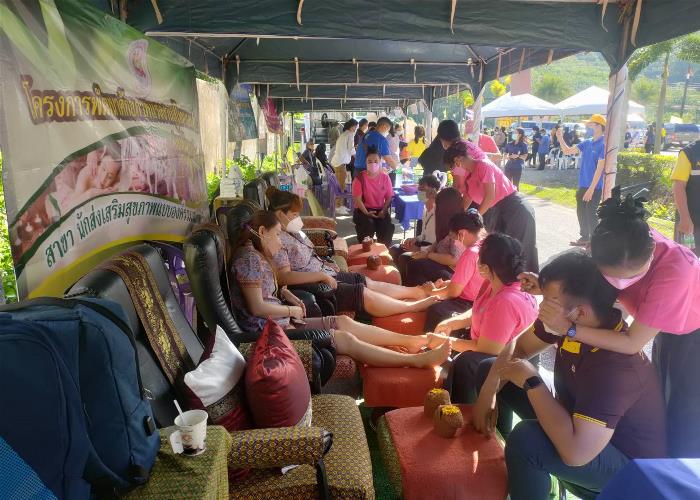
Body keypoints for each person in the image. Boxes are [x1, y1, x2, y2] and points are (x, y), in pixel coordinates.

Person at [475, 252, 666, 500]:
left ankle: (533, 473)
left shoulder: (616, 367)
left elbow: (576, 454)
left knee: (528, 440)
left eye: (550, 301)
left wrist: (532, 382)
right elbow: (519, 347)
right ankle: (509, 465)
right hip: (577, 424)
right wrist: (488, 392)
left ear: (581, 313)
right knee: (490, 369)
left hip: (626, 469)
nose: (542, 308)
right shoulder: (567, 322)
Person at [527, 188, 700, 458]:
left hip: (691, 336)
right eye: (613, 278)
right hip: (665, 327)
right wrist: (547, 287)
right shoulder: (614, 240)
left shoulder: (674, 273)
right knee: (665, 399)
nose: (621, 285)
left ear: (652, 252)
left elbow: (632, 343)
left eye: (632, 277)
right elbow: (584, 284)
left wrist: (569, 329)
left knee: (685, 417)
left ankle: (678, 476)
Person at [228, 209, 453, 369]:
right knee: (345, 339)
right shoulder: (249, 260)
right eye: (277, 234)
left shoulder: (255, 255)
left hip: (280, 321)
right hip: (271, 330)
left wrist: (286, 294)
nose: (279, 241)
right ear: (262, 231)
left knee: (344, 322)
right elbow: (257, 307)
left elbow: (268, 290)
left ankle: (410, 342)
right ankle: (415, 360)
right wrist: (290, 310)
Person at [266, 187, 438, 318]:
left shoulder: (292, 231)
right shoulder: (277, 239)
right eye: (294, 214)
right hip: (314, 283)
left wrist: (325, 263)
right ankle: (412, 307)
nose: (298, 218)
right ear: (280, 214)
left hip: (324, 272)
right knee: (362, 293)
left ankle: (415, 292)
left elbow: (308, 253)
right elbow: (284, 277)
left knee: (366, 281)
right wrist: (321, 276)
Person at [434, 233, 538, 403]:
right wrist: (451, 323)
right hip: (492, 349)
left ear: (486, 268)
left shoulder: (506, 301)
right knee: (443, 316)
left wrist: (445, 342)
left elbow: (486, 349)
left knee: (465, 363)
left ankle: (465, 410)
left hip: (507, 364)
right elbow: (478, 310)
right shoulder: (493, 282)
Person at [445, 140, 539, 271]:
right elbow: (466, 200)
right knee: (502, 254)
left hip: (516, 209)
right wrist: (456, 222)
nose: (453, 171)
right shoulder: (469, 177)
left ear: (458, 160)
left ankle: (525, 283)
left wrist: (474, 217)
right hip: (498, 211)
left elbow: (490, 197)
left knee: (521, 253)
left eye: (452, 167)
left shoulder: (484, 165)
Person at [423, 209, 486, 332]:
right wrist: (448, 284)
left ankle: (431, 341)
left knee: (434, 310)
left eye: (454, 237)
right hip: (481, 299)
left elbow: (453, 292)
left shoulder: (470, 254)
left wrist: (431, 292)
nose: (455, 242)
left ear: (462, 234)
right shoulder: (486, 243)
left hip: (470, 303)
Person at [557, 114, 606, 247]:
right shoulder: (587, 142)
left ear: (599, 126)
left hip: (594, 187)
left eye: (591, 124)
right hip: (583, 184)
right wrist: (560, 138)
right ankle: (584, 237)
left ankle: (595, 242)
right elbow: (567, 151)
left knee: (591, 214)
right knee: (581, 212)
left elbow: (599, 169)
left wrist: (591, 189)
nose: (588, 126)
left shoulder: (603, 144)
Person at [389, 175, 440, 266]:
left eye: (423, 189)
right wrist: (414, 239)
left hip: (431, 249)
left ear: (433, 191)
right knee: (394, 249)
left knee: (404, 258)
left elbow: (439, 243)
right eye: (419, 189)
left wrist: (420, 249)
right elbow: (424, 235)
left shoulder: (439, 213)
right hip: (422, 244)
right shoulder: (425, 210)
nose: (420, 192)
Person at [352, 145, 395, 247]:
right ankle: (365, 249)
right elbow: (357, 200)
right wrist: (367, 213)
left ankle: (383, 251)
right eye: (370, 161)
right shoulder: (359, 178)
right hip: (363, 210)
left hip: (380, 209)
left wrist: (383, 211)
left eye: (376, 161)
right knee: (368, 226)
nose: (373, 164)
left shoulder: (385, 178)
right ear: (365, 162)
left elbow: (389, 197)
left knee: (386, 227)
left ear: (380, 162)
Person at [671, 140, 700, 256]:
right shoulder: (689, 153)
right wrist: (684, 218)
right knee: (687, 257)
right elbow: (678, 186)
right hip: (691, 224)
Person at [330, 119, 358, 216]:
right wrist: (358, 156)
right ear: (351, 126)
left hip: (338, 162)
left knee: (340, 185)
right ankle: (338, 206)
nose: (356, 128)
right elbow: (351, 150)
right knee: (340, 186)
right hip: (340, 163)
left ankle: (339, 205)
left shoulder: (344, 134)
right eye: (355, 126)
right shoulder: (350, 134)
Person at [386, 121, 401, 187]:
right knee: (393, 179)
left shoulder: (388, 136)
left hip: (390, 159)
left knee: (389, 179)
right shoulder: (396, 135)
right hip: (396, 159)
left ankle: (390, 190)